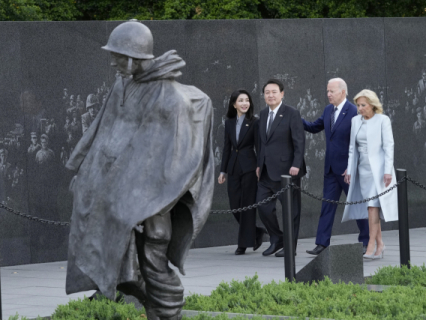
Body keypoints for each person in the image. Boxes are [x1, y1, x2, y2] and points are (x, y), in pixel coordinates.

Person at [65, 20, 214, 320]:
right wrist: (85, 172)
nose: (113, 62)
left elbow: (176, 164)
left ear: (135, 58)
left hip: (152, 208)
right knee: (131, 273)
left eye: (119, 57)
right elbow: (104, 132)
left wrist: (143, 206)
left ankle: (168, 314)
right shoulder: (124, 84)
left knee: (154, 265)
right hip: (120, 199)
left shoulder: (170, 98)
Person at [302, 78, 369, 255]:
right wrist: (296, 119)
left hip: (348, 170)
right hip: (331, 170)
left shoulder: (354, 111)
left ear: (343, 92)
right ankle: (322, 244)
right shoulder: (328, 110)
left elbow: (362, 142)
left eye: (332, 91)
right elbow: (314, 127)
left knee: (357, 205)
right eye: (327, 91)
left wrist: (352, 166)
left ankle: (366, 241)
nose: (328, 94)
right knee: (327, 206)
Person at [343, 89, 398, 259]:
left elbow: (389, 146)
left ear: (372, 105)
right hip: (363, 171)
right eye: (358, 105)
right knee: (370, 208)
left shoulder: (383, 120)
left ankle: (370, 246)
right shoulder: (355, 121)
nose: (359, 108)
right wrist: (350, 170)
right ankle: (380, 245)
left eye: (363, 105)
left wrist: (388, 171)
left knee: (373, 207)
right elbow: (352, 148)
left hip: (379, 171)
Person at [256, 79, 306, 257]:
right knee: (263, 207)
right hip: (266, 171)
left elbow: (299, 141)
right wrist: (258, 164)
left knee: (291, 212)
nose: (270, 95)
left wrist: (296, 165)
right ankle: (277, 238)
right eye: (267, 92)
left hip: (287, 171)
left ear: (282, 94)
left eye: (274, 92)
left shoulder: (292, 113)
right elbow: (262, 142)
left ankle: (290, 247)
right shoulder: (262, 114)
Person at [218, 89, 266, 255]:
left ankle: (243, 244)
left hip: (250, 168)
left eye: (247, 100)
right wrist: (223, 171)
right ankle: (256, 232)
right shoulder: (229, 122)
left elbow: (260, 147)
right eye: (241, 100)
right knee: (234, 205)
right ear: (234, 104)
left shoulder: (255, 121)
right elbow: (226, 148)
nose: (245, 103)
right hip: (233, 168)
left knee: (247, 205)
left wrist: (260, 166)